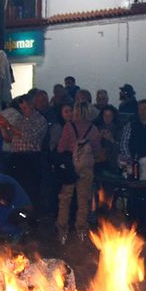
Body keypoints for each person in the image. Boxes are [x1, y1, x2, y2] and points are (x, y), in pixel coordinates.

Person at [55, 103, 99, 242]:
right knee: (83, 200)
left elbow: (61, 148)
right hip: (86, 168)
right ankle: (81, 230)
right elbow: (97, 150)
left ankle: (62, 230)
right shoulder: (93, 129)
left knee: (65, 199)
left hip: (70, 167)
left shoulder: (69, 127)